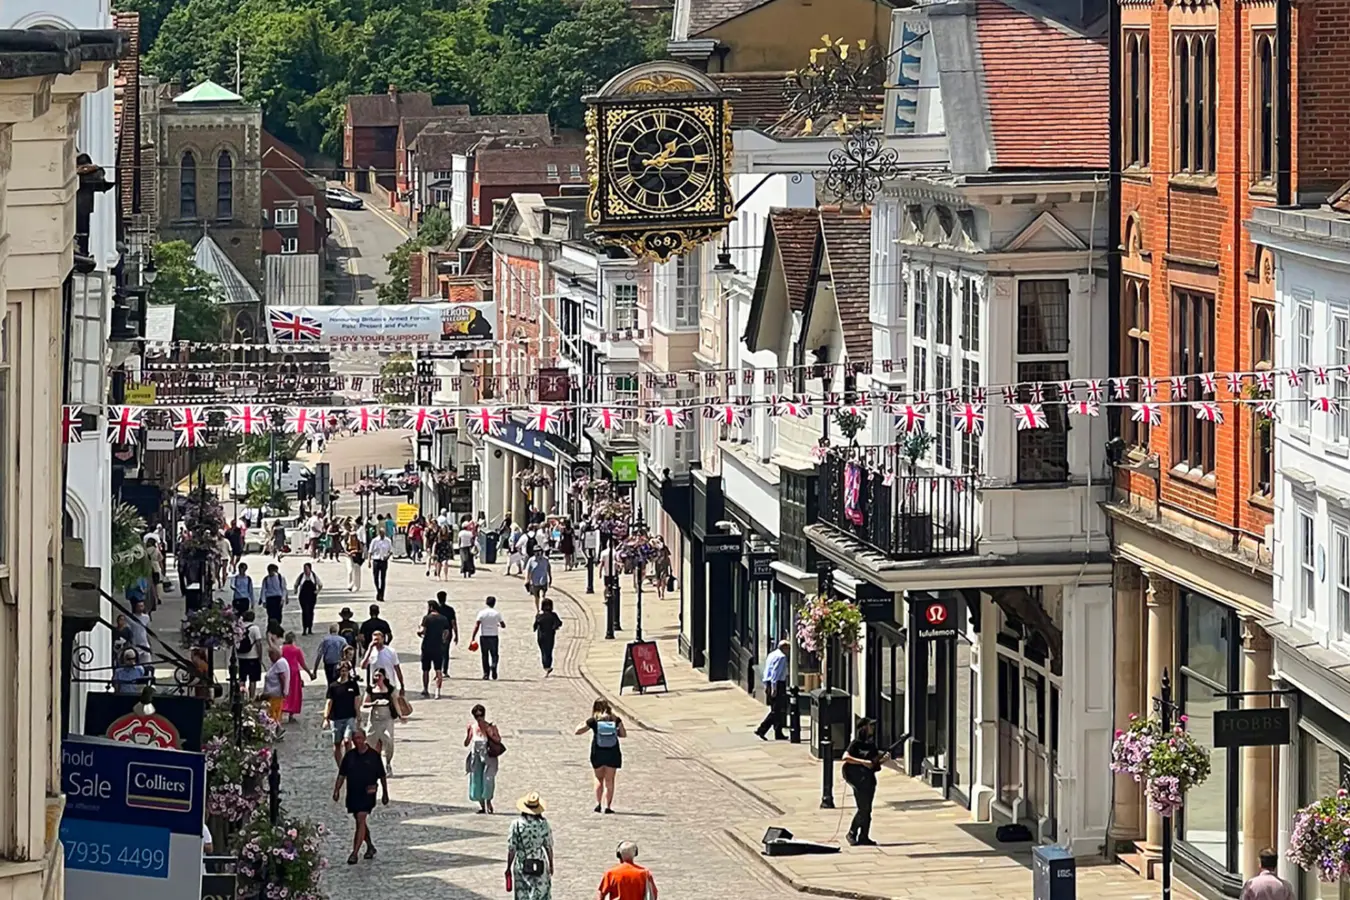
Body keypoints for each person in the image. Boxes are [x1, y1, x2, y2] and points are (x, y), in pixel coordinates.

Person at [332, 727, 388, 866]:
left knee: (361, 818)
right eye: (354, 739)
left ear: (364, 738)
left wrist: (385, 793)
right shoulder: (349, 756)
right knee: (360, 821)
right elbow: (342, 774)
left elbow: (382, 775)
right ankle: (370, 846)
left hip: (368, 793)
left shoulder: (373, 756)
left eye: (359, 738)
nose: (357, 741)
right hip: (353, 793)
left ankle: (354, 853)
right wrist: (337, 790)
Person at [841, 718, 886, 846]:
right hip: (857, 780)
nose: (873, 728)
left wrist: (882, 760)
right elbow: (845, 757)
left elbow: (873, 765)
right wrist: (863, 762)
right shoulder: (856, 743)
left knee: (868, 809)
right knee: (863, 808)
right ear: (864, 728)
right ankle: (851, 833)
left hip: (869, 780)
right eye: (870, 726)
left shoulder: (871, 745)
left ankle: (864, 836)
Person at [576, 698, 625, 813]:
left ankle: (598, 804)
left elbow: (578, 731)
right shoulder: (615, 719)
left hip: (597, 752)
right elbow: (623, 734)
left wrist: (582, 723)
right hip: (612, 752)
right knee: (610, 781)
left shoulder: (594, 720)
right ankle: (608, 806)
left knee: (598, 779)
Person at [506, 792, 553, 900]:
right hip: (540, 861)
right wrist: (551, 864)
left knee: (523, 894)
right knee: (540, 893)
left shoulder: (516, 824)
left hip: (522, 862)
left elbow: (512, 848)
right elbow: (548, 846)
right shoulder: (543, 824)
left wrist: (508, 866)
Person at [322, 661, 361, 766]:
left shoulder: (353, 685)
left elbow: (356, 701)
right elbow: (329, 702)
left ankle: (349, 763)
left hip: (349, 717)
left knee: (347, 740)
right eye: (342, 671)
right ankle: (341, 767)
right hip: (336, 718)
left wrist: (359, 716)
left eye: (346, 670)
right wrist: (326, 718)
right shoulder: (333, 686)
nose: (344, 673)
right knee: (337, 743)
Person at [464, 703, 501, 813]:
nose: (479, 718)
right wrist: (467, 734)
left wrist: (490, 733)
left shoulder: (491, 727)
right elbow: (466, 743)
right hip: (476, 757)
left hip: (489, 756)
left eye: (481, 716)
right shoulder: (472, 727)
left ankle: (488, 801)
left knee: (488, 779)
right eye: (477, 716)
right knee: (476, 779)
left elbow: (498, 740)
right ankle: (482, 805)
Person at [363, 668, 401, 775]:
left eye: (379, 675)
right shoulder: (371, 689)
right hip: (374, 719)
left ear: (384, 677)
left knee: (389, 740)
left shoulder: (390, 689)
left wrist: (400, 715)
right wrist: (373, 703)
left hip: (387, 718)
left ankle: (388, 763)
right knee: (370, 741)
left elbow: (396, 703)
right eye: (375, 676)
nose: (377, 678)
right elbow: (364, 704)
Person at [755, 639, 791, 741]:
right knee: (776, 710)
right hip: (778, 684)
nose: (789, 651)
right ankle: (761, 729)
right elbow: (775, 673)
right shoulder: (782, 657)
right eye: (788, 648)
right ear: (784, 648)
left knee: (776, 710)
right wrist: (774, 688)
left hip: (769, 683)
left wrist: (768, 686)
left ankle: (778, 732)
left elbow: (768, 671)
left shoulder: (772, 654)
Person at [418, 599, 451, 699]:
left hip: (427, 646)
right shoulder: (443, 618)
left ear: (431, 607)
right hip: (438, 646)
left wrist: (419, 632)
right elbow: (446, 632)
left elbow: (423, 631)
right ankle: (437, 691)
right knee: (438, 670)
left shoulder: (427, 618)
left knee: (425, 670)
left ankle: (425, 688)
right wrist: (443, 641)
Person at [470, 596, 505, 680]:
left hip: (484, 636)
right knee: (494, 655)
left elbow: (477, 625)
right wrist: (498, 625)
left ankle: (486, 673)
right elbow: (503, 625)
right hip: (494, 636)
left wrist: (473, 637)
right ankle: (493, 666)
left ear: (486, 603)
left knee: (484, 655)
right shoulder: (496, 613)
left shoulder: (482, 613)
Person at [281, 632, 308, 722]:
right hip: (294, 673)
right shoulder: (296, 650)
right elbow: (302, 663)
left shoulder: (282, 649)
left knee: (282, 691)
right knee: (294, 693)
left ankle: (281, 709)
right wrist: (310, 673)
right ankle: (291, 714)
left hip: (284, 671)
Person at [236, 610, 263, 697]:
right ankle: (251, 697)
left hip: (241, 656)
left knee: (242, 678)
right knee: (253, 679)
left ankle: (241, 695)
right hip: (253, 656)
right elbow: (258, 643)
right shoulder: (255, 628)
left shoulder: (240, 627)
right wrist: (260, 656)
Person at [533, 599, 563, 676]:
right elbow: (559, 623)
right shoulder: (553, 615)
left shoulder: (539, 615)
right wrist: (555, 627)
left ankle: (546, 666)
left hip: (541, 636)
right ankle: (547, 666)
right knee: (549, 651)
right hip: (550, 636)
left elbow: (535, 626)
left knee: (543, 651)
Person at [262, 646, 291, 725]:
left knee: (273, 714)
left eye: (270, 655)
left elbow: (282, 678)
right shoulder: (279, 662)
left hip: (275, 694)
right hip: (274, 694)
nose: (269, 657)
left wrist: (283, 691)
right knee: (274, 714)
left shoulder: (279, 663)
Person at [291, 563, 322, 635]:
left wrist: (317, 591)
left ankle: (310, 628)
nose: (305, 570)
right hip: (303, 596)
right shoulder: (301, 576)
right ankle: (304, 628)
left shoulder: (314, 576)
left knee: (310, 612)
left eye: (306, 569)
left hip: (311, 596)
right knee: (305, 612)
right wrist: (295, 590)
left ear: (310, 569)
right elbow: (296, 584)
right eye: (304, 569)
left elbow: (320, 584)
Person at [435, 591, 459, 674]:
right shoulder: (450, 610)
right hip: (447, 633)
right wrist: (456, 634)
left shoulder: (435, 610)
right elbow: (453, 623)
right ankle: (445, 671)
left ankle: (438, 670)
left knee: (437, 652)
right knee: (446, 652)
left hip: (436, 633)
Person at [368, 528, 393, 602]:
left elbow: (390, 551)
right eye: (381, 533)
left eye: (384, 533)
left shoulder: (388, 541)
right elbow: (370, 551)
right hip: (376, 560)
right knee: (375, 578)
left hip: (384, 561)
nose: (383, 535)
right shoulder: (375, 541)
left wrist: (387, 556)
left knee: (383, 578)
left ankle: (381, 594)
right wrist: (369, 561)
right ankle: (378, 591)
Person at [525, 547, 552, 612]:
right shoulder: (531, 560)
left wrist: (550, 577)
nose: (537, 553)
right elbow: (528, 570)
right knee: (536, 597)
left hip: (543, 580)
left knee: (543, 595)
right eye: (536, 551)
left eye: (539, 551)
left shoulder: (545, 559)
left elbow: (548, 569)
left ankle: (544, 608)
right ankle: (537, 610)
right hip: (535, 581)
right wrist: (527, 579)